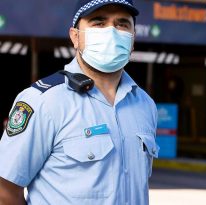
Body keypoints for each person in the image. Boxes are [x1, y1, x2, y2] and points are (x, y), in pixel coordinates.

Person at [0, 0, 159, 204]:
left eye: (122, 24)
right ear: (75, 37)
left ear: (133, 38)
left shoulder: (145, 105)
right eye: (98, 23)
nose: (111, 32)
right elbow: (5, 191)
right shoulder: (43, 101)